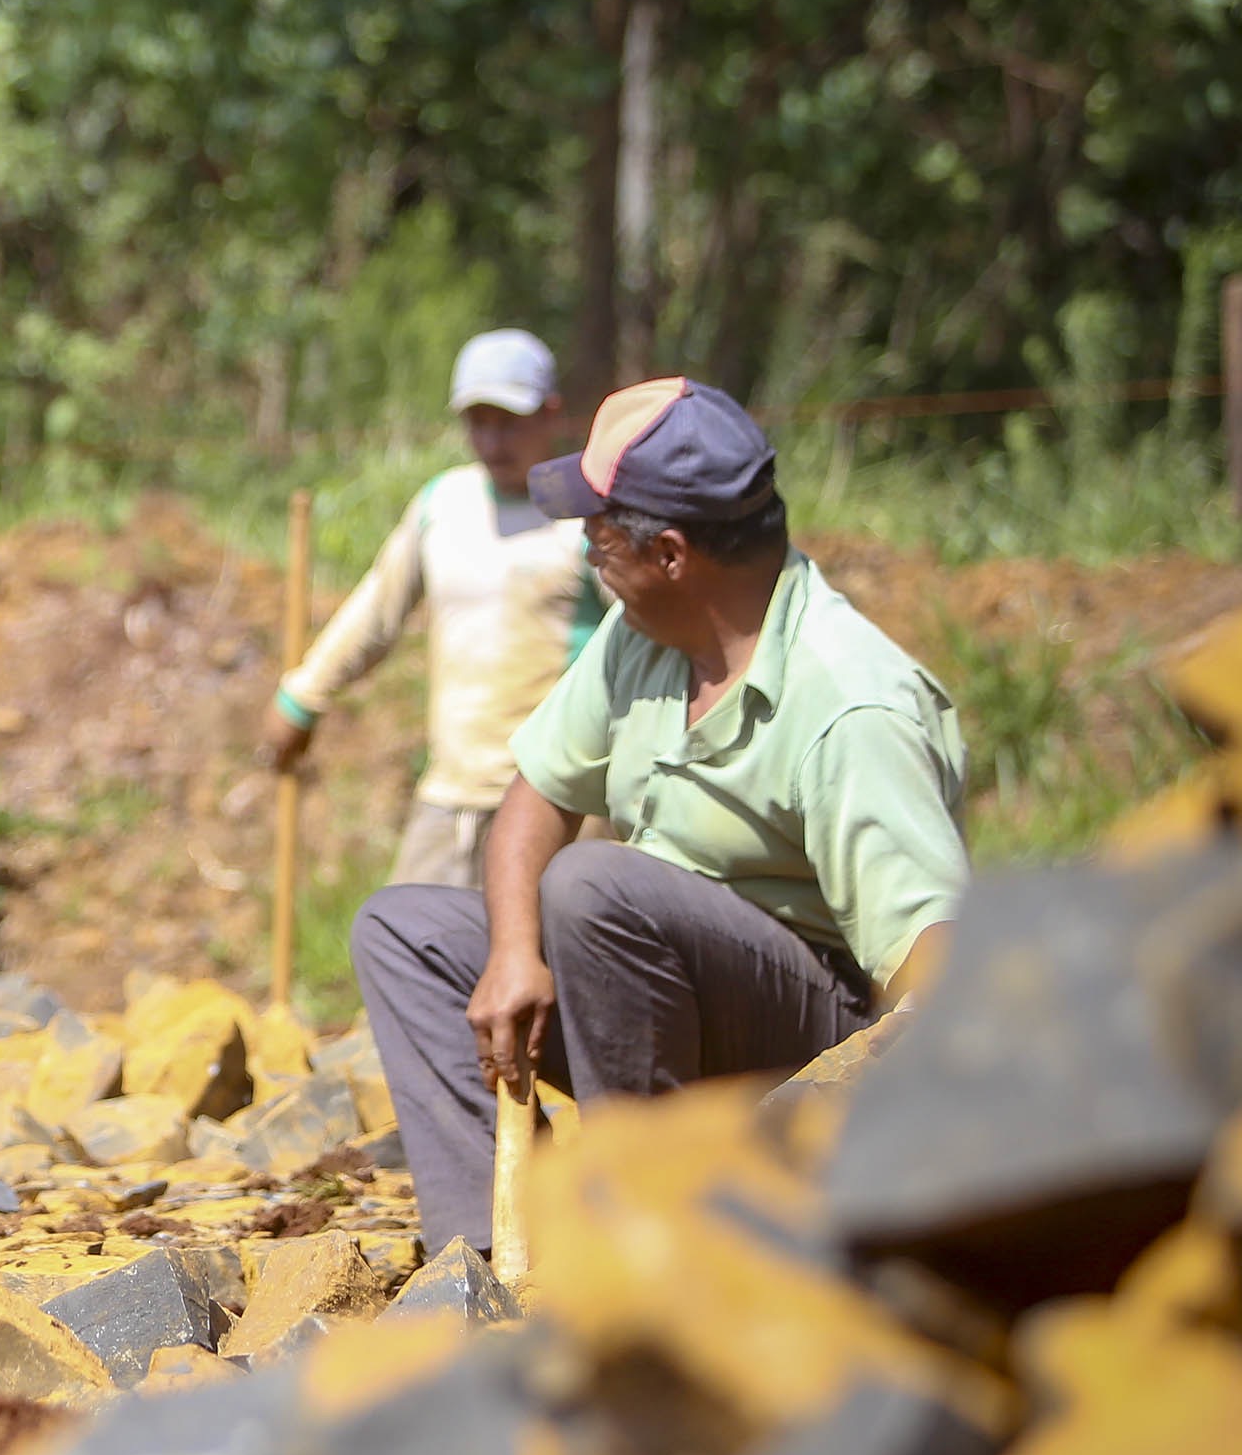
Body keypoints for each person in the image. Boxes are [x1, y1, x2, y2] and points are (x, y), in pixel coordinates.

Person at [349, 376, 968, 1251]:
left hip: (809, 1038)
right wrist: (515, 952)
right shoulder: (643, 632)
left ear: (671, 554)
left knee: (596, 887)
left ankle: (644, 1226)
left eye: (599, 534)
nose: (587, 552)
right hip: (650, 986)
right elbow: (537, 794)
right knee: (404, 927)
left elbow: (933, 970)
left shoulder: (850, 706)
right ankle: (494, 1252)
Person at [261, 328, 602, 889]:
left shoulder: (585, 519)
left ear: (552, 414)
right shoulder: (444, 505)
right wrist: (303, 696)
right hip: (453, 798)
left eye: (509, 422)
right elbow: (377, 609)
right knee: (409, 948)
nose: (492, 442)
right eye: (478, 422)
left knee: (548, 967)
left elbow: (649, 637)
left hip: (561, 802)